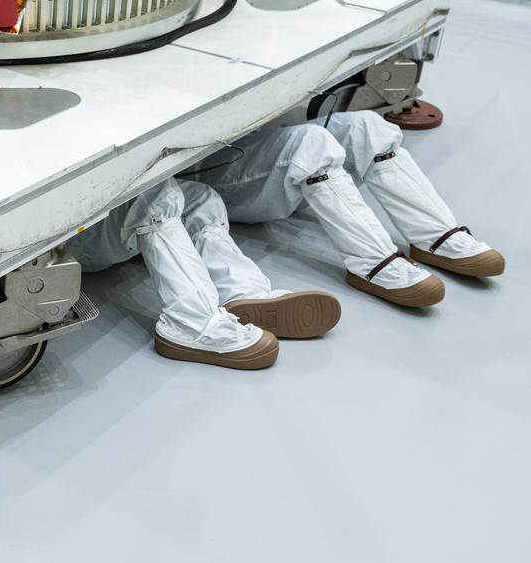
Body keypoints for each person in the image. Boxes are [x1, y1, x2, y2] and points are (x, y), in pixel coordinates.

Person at [200, 111, 505, 307]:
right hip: (206, 170)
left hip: (249, 136)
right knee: (311, 142)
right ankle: (371, 263)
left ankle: (434, 236)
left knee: (366, 126)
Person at [67, 177, 342, 370]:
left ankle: (242, 291)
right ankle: (190, 323)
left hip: (94, 197)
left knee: (201, 198)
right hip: (71, 233)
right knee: (153, 196)